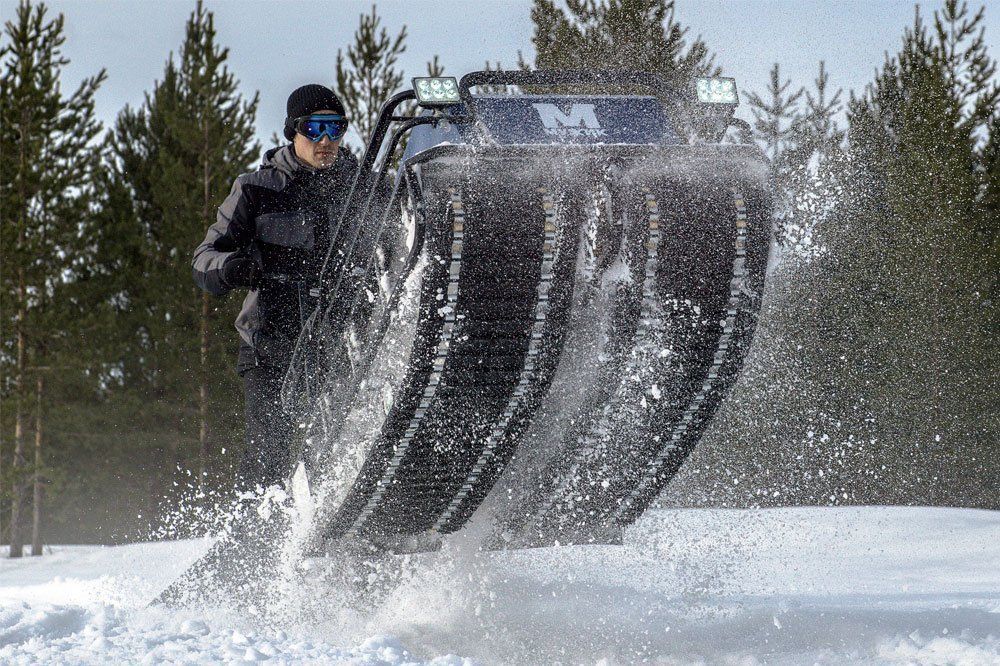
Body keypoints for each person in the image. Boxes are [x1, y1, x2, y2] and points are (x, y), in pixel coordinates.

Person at [192, 84, 357, 493]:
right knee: (268, 456)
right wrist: (230, 267)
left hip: (345, 344)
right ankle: (251, 548)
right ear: (292, 131)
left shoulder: (363, 188)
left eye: (336, 129)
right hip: (272, 345)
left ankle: (334, 534)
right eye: (315, 128)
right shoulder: (257, 189)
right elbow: (203, 257)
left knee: (342, 447)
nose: (326, 141)